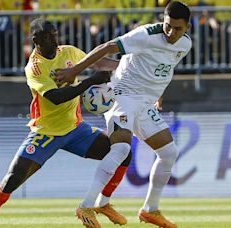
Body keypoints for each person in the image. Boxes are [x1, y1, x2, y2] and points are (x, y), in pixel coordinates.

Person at [0, 18, 132, 228]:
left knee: (123, 152)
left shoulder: (68, 51)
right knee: (12, 179)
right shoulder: (34, 68)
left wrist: (127, 65)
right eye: (48, 37)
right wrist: (89, 82)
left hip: (76, 129)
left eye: (55, 34)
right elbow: (56, 97)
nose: (54, 40)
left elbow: (99, 63)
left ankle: (103, 203)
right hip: (46, 133)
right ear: (36, 40)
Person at [56, 1, 192, 227]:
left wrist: (158, 95)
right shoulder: (146, 35)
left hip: (145, 102)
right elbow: (108, 46)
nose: (171, 32)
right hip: (123, 94)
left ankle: (150, 210)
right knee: (121, 148)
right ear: (163, 20)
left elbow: (164, 69)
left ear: (187, 27)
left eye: (177, 28)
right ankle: (86, 206)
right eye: (168, 26)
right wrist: (75, 70)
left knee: (169, 153)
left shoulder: (184, 44)